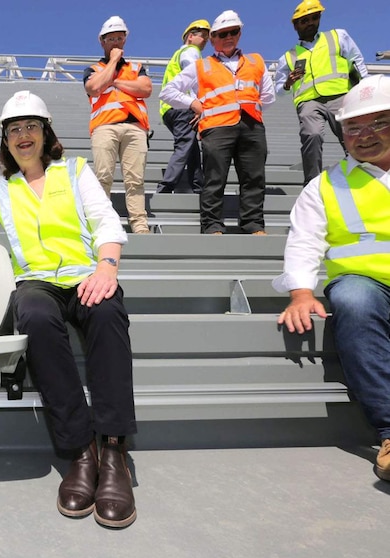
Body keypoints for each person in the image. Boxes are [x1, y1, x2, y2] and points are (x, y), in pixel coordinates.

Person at [0, 91, 137, 529]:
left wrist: (107, 267)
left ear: (46, 134)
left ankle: (114, 450)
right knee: (36, 318)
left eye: (30, 127)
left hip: (86, 273)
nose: (23, 136)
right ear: (5, 142)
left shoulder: (76, 171)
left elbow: (106, 222)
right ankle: (81, 451)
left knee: (106, 313)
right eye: (13, 131)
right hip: (37, 282)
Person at [274, 75, 390, 482]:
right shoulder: (325, 185)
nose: (365, 135)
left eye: (379, 122)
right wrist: (301, 292)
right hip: (365, 284)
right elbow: (304, 242)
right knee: (355, 301)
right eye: (354, 126)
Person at [160, 10, 275, 235]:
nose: (228, 37)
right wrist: (193, 104)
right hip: (216, 128)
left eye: (233, 32)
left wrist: (252, 110)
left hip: (252, 126)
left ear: (240, 33)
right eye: (222, 34)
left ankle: (253, 224)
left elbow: (268, 96)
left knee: (254, 177)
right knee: (214, 178)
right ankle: (212, 225)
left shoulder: (256, 61)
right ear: (213, 39)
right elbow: (168, 92)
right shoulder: (201, 65)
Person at [274, 0, 370, 185]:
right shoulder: (287, 57)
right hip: (309, 102)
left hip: (340, 96)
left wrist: (363, 90)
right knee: (312, 135)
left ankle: (363, 175)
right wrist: (288, 83)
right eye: (304, 20)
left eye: (314, 17)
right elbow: (280, 91)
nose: (310, 22)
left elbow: (356, 60)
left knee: (350, 135)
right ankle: (312, 183)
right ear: (295, 25)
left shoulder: (338, 37)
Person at [83, 15, 152, 234]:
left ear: (125, 40)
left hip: (134, 127)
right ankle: (103, 224)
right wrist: (112, 63)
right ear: (102, 42)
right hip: (105, 127)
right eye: (110, 39)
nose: (115, 42)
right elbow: (94, 88)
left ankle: (139, 225)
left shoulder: (136, 66)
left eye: (119, 38)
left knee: (135, 179)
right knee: (103, 177)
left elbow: (145, 89)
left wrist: (113, 81)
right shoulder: (93, 69)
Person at [157, 19, 209, 195]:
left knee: (191, 146)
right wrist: (198, 106)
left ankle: (198, 186)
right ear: (190, 36)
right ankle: (166, 187)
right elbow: (195, 80)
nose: (206, 40)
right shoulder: (191, 52)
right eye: (202, 36)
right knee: (185, 144)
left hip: (170, 108)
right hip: (182, 107)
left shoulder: (178, 54)